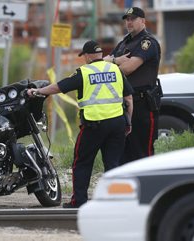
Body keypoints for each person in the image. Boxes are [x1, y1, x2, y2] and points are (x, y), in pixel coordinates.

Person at [27, 40, 134, 208]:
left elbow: (59, 87)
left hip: (94, 125)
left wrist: (38, 92)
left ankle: (79, 201)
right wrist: (128, 122)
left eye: (84, 55)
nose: (83, 58)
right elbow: (128, 98)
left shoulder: (84, 72)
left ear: (89, 55)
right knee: (113, 164)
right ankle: (116, 201)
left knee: (82, 163)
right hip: (117, 124)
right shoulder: (116, 70)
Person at [103, 7, 162, 165]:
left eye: (132, 19)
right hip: (123, 103)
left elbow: (127, 69)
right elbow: (102, 62)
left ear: (142, 21)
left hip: (142, 103)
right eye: (127, 19)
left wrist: (112, 64)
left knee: (143, 152)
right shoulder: (124, 42)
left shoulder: (147, 43)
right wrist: (115, 61)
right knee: (123, 152)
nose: (129, 22)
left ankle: (149, 188)